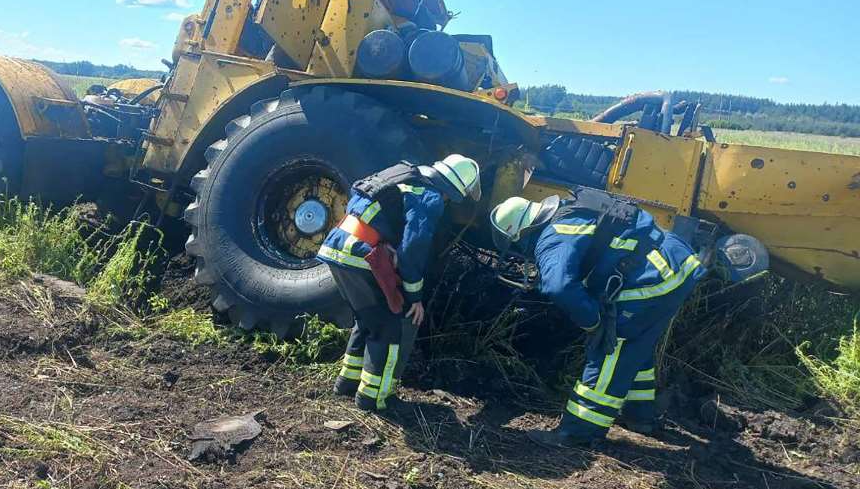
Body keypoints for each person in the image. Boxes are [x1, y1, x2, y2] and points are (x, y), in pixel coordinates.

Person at [489, 189, 768, 446]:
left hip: (649, 279)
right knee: (636, 345)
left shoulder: (551, 236)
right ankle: (640, 415)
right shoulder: (570, 209)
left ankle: (578, 433)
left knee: (611, 345)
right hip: (673, 265)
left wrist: (593, 321)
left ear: (521, 231)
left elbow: (559, 286)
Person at [317, 154, 482, 412]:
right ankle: (375, 399)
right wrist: (414, 297)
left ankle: (347, 383)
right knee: (390, 327)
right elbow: (414, 248)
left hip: (336, 245)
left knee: (368, 318)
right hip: (362, 255)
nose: (447, 201)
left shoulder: (399, 175)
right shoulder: (431, 196)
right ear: (452, 189)